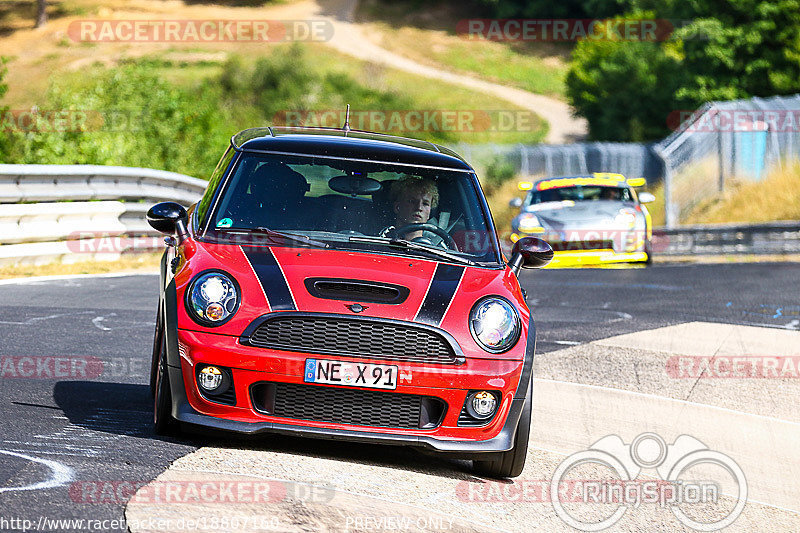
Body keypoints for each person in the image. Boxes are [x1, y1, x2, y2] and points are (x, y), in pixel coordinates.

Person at [379, 176, 446, 246]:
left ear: (429, 212)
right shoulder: (382, 238)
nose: (419, 207)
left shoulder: (438, 246)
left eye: (425, 204)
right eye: (412, 201)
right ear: (397, 207)